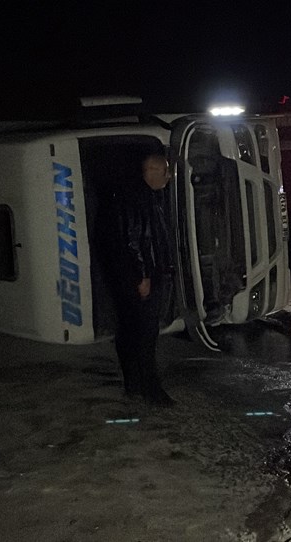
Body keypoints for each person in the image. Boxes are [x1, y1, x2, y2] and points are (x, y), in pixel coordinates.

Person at [109, 151, 176, 406]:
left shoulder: (147, 195)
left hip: (142, 275)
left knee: (133, 331)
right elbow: (133, 240)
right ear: (153, 172)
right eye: (166, 172)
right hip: (141, 278)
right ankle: (150, 389)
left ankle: (135, 384)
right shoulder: (137, 197)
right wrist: (143, 276)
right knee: (145, 335)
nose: (169, 177)